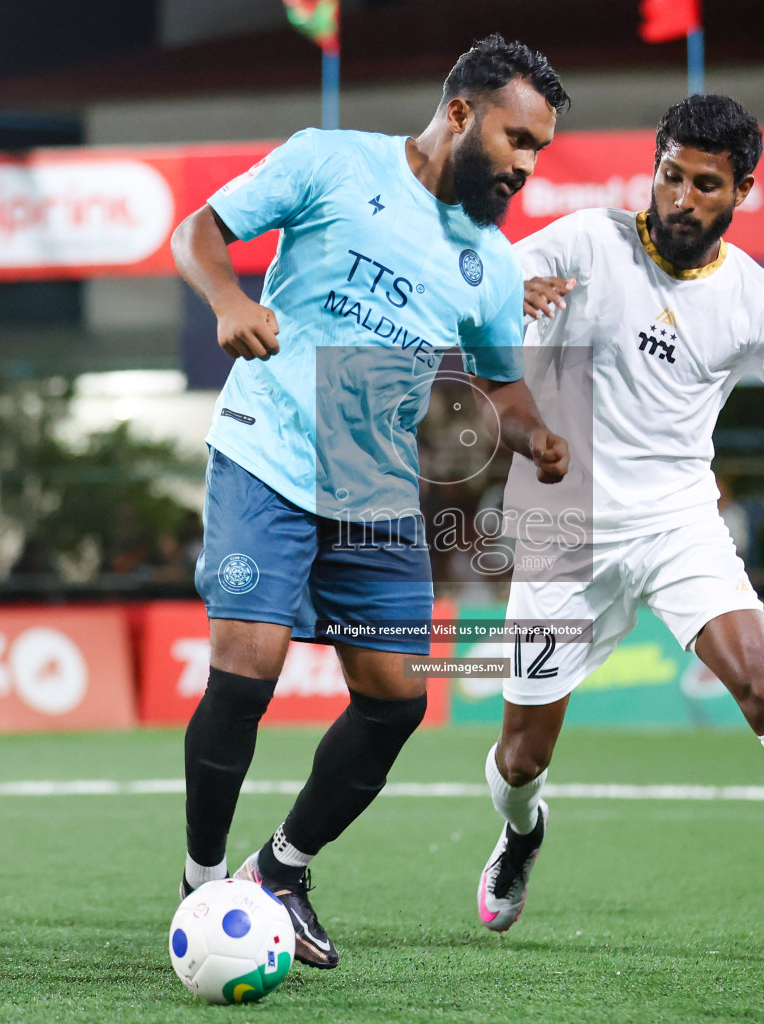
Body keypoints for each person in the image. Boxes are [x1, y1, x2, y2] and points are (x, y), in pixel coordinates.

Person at [477, 95, 764, 975]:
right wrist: (502, 290)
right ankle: (522, 834)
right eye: (669, 174)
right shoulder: (586, 242)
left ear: (741, 190)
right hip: (563, 522)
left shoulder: (756, 301)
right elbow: (475, 285)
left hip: (678, 521)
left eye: (703, 184)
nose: (678, 196)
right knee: (523, 758)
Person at [168, 35, 571, 969]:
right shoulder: (329, 160)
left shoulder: (493, 264)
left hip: (372, 482)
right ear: (462, 114)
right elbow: (198, 231)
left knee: (395, 703)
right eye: (518, 140)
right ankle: (201, 884)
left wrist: (535, 433)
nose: (524, 166)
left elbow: (500, 386)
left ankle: (282, 869)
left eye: (539, 151)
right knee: (247, 666)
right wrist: (229, 300)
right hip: (266, 450)